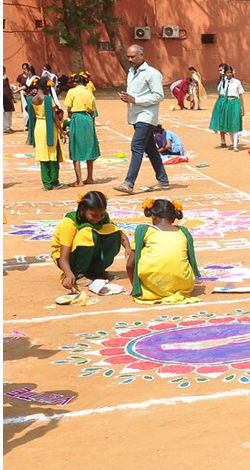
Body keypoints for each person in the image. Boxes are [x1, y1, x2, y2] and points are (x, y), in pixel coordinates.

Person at [112, 45, 168, 195]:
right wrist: (128, 98)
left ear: (142, 56)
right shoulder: (131, 72)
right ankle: (163, 180)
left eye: (133, 56)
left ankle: (129, 183)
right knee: (150, 148)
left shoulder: (152, 73)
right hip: (135, 115)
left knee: (136, 146)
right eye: (128, 57)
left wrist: (135, 99)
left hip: (147, 116)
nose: (130, 59)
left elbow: (158, 95)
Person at [51, 191, 132, 290]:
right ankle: (79, 274)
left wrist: (128, 248)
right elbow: (63, 257)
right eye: (93, 215)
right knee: (87, 233)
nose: (98, 219)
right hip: (66, 258)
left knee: (112, 233)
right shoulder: (69, 223)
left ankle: (97, 272)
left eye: (101, 215)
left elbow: (119, 233)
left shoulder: (103, 217)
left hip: (86, 252)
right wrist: (69, 274)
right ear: (82, 210)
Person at [128, 197, 201, 304]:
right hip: (183, 285)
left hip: (153, 286)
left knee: (142, 250)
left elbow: (129, 265)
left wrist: (136, 287)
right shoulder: (183, 232)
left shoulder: (144, 231)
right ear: (174, 218)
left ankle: (154, 287)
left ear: (153, 216)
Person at [27, 79, 65, 190]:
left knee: (43, 155)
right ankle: (54, 181)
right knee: (53, 154)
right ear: (46, 88)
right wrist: (61, 131)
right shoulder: (48, 99)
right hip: (49, 127)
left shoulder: (31, 99)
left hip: (38, 126)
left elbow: (31, 114)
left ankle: (46, 183)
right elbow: (55, 117)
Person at [65, 73, 101, 187]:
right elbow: (92, 110)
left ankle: (79, 180)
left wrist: (70, 116)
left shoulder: (72, 92)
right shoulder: (89, 93)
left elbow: (69, 108)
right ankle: (89, 177)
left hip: (77, 118)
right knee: (89, 146)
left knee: (76, 147)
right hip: (88, 119)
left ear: (75, 83)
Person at [210, 65, 244, 151]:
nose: (229, 74)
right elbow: (221, 93)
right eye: (227, 72)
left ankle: (235, 145)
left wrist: (242, 107)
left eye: (230, 72)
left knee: (235, 123)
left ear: (233, 73)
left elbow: (240, 95)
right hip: (226, 103)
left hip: (235, 102)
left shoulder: (237, 82)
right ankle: (231, 142)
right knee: (227, 123)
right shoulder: (223, 82)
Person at [208, 63, 228, 148]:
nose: (220, 72)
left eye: (222, 70)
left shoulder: (230, 80)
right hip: (220, 101)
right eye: (219, 70)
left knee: (228, 119)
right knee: (220, 120)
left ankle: (234, 139)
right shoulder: (220, 79)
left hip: (227, 100)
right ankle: (222, 140)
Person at [4, 66, 16, 133]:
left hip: (8, 98)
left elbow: (8, 87)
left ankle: (8, 126)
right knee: (4, 113)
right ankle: (6, 128)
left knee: (9, 112)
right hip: (3, 98)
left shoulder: (6, 78)